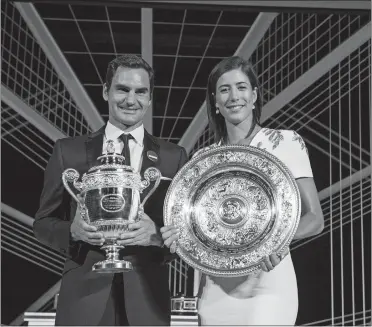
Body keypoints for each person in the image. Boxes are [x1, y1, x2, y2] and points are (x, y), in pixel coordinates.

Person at [161, 56, 324, 325]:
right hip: (213, 291)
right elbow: (194, 227)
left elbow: (315, 219)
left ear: (254, 95)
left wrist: (278, 242)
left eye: (241, 87)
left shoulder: (285, 142)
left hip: (268, 287)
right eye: (224, 90)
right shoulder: (204, 159)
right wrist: (177, 234)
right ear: (214, 101)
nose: (234, 96)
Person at [34, 54, 188, 326]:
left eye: (141, 92)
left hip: (147, 302)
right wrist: (72, 231)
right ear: (106, 91)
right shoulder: (68, 152)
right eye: (123, 89)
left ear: (150, 98)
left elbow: (186, 233)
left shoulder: (173, 157)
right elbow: (43, 224)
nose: (131, 100)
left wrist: (157, 237)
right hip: (84, 299)